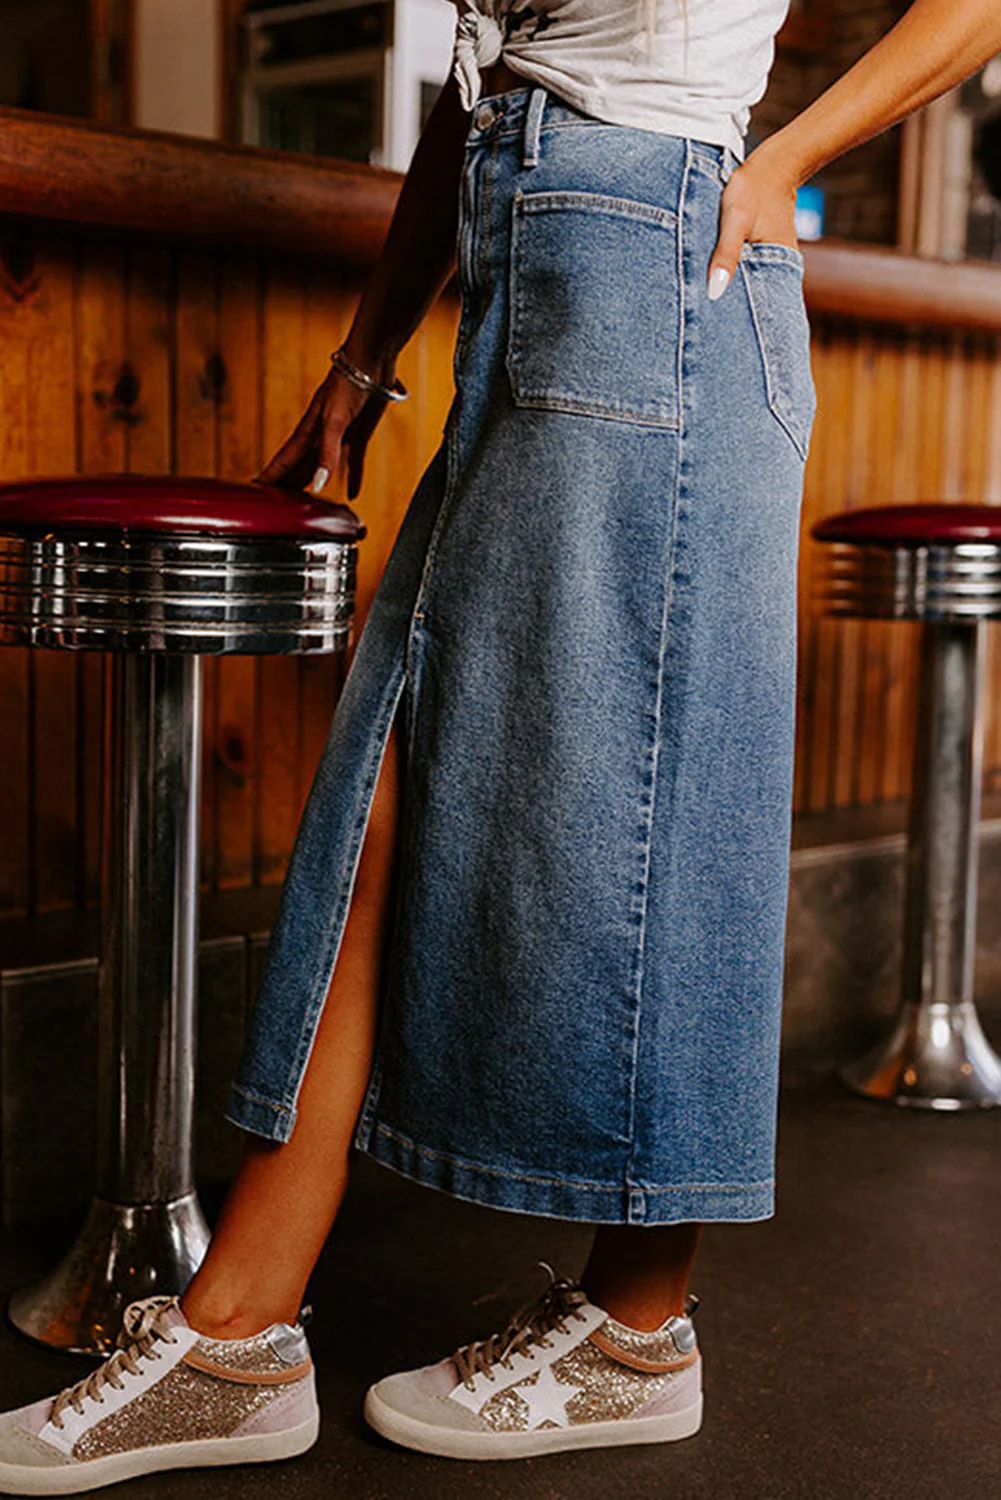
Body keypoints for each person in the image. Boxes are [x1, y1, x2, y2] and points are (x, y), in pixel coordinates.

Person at [2, 0, 1000, 1492]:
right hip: (539, 249)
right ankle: (240, 1332)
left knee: (661, 799)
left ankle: (638, 1325)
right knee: (388, 768)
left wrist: (776, 161)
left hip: (662, 249)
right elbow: (484, 88)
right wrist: (363, 357)